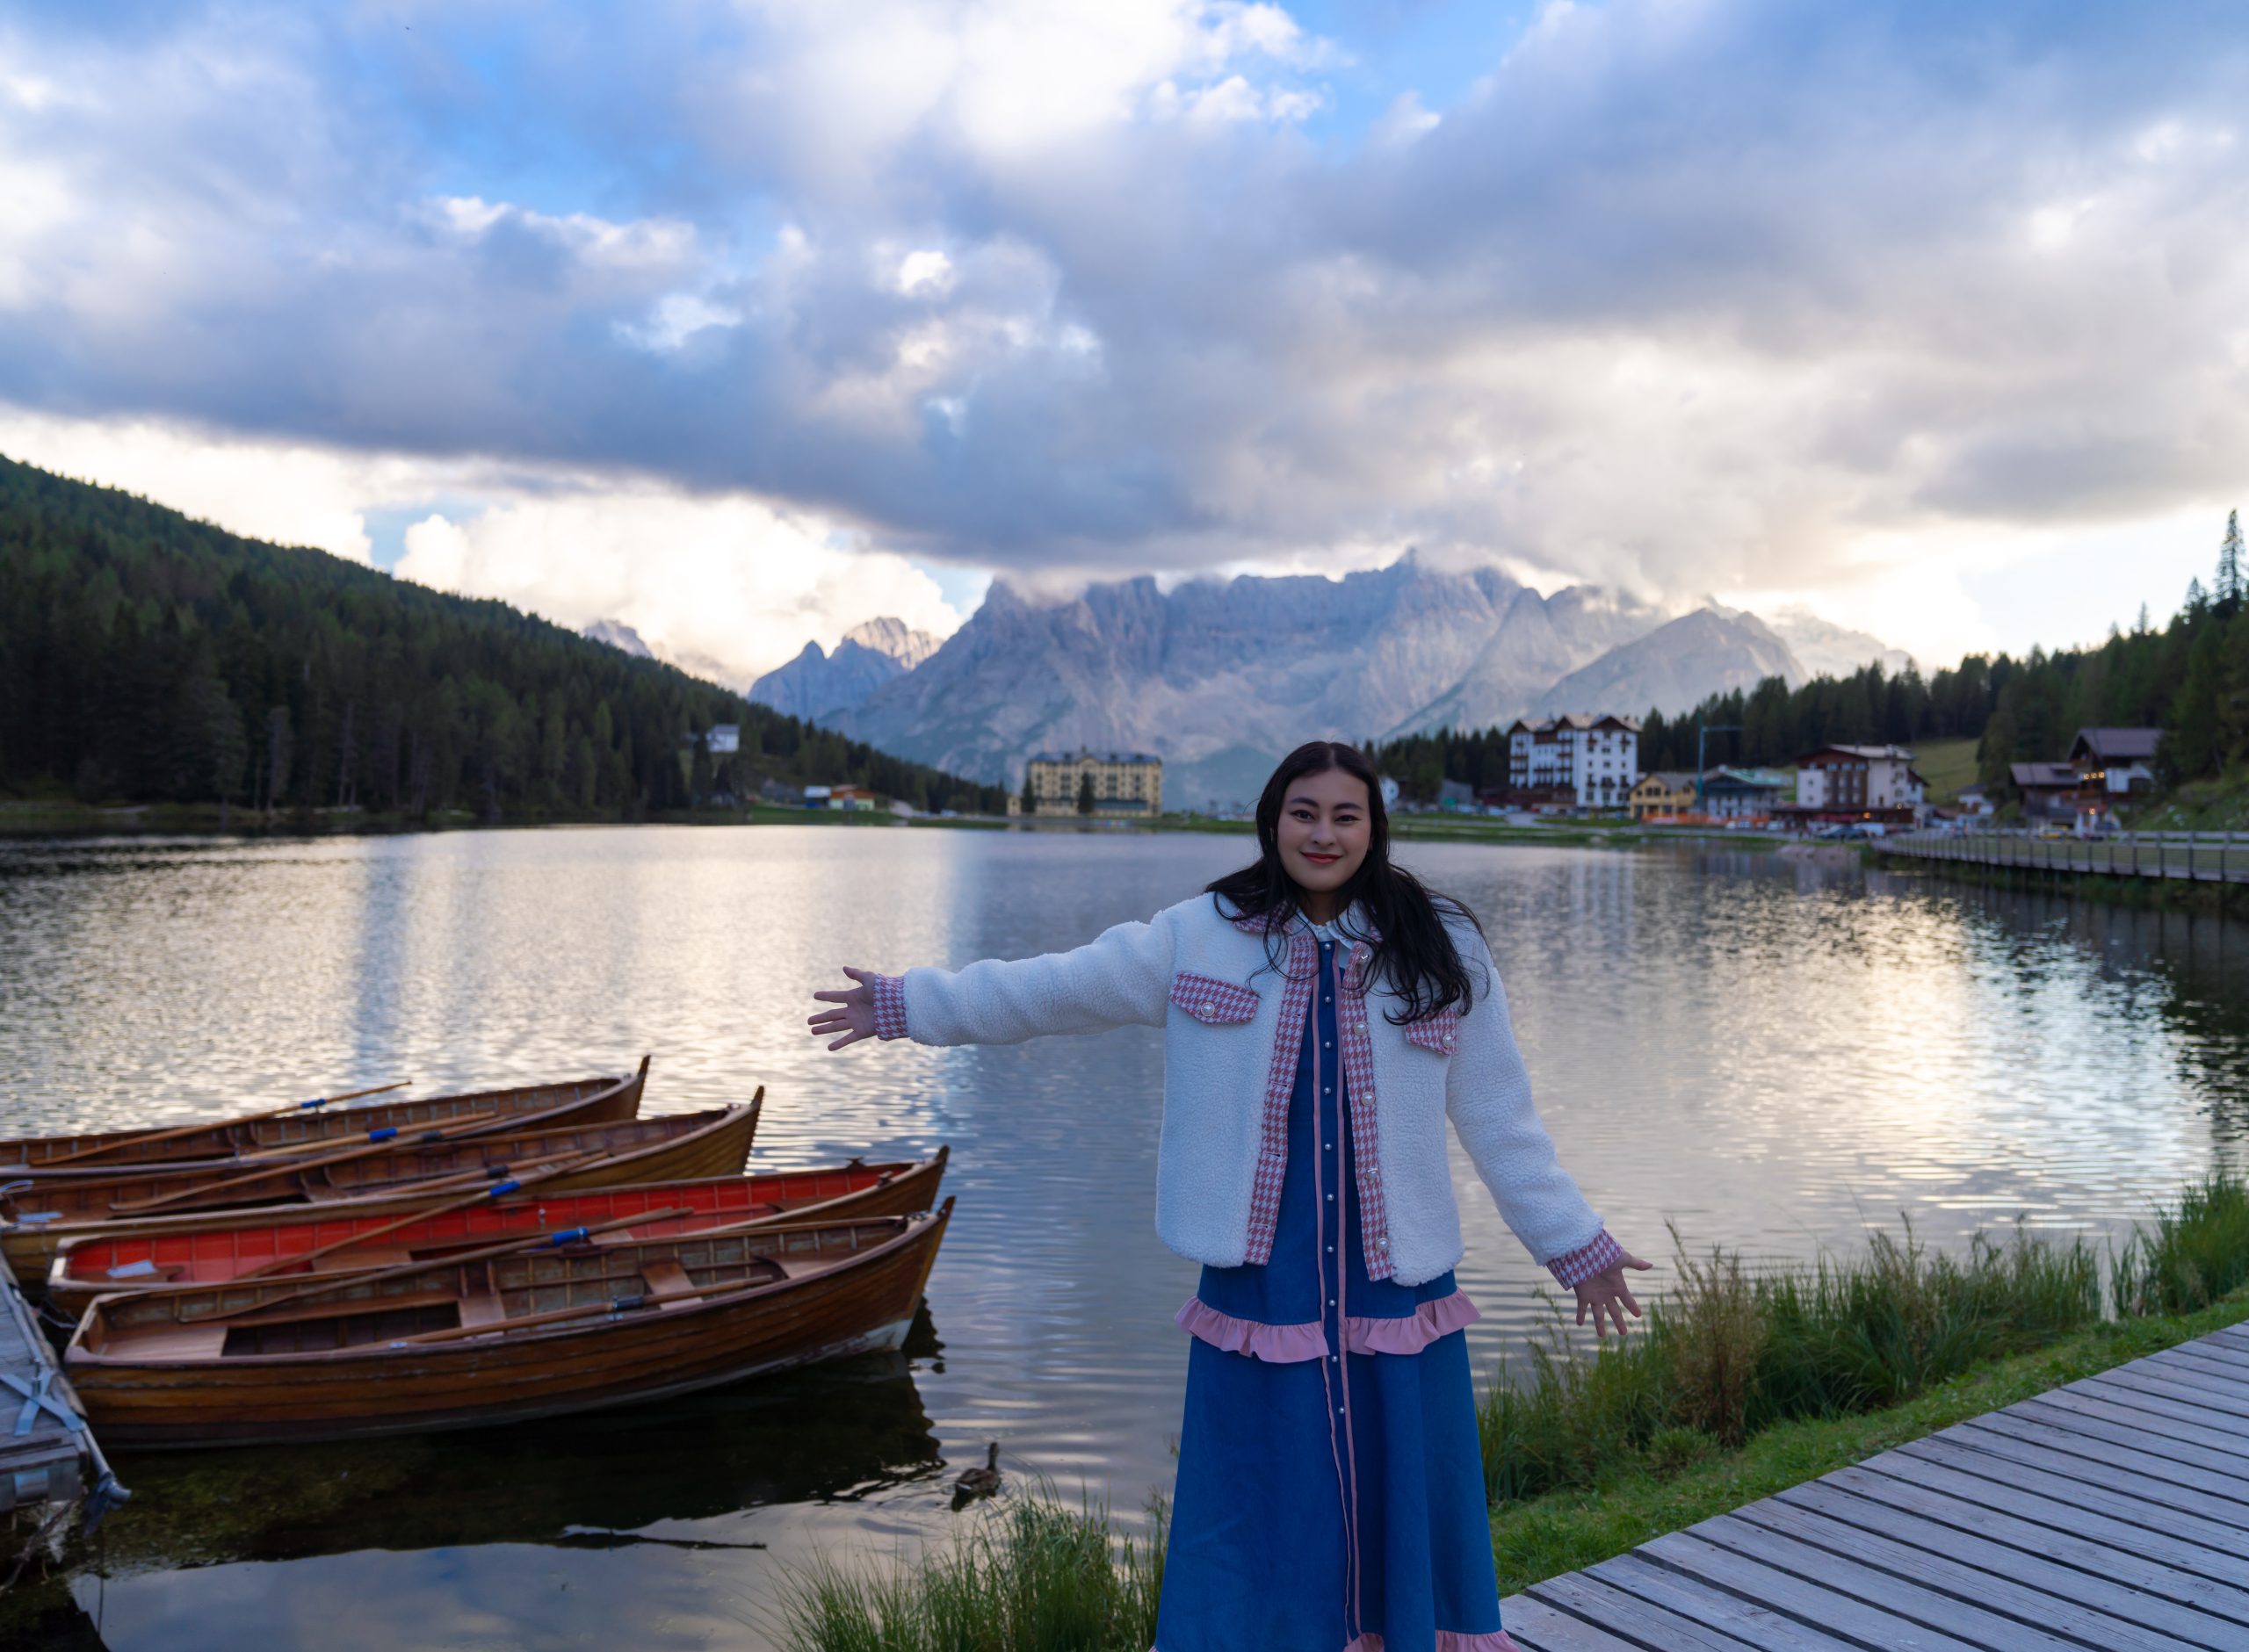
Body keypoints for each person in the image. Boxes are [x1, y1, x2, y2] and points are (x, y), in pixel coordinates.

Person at [809, 739, 1650, 1652]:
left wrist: (1575, 1245)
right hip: (1262, 1284)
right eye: (1303, 812)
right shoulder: (1198, 934)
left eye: (1344, 814)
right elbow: (1052, 989)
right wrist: (908, 1006)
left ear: (1374, 827)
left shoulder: (1439, 946)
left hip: (1391, 1285)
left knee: (1393, 1497)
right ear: (1272, 820)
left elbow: (1499, 1115)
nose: (1322, 833)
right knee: (1258, 1505)